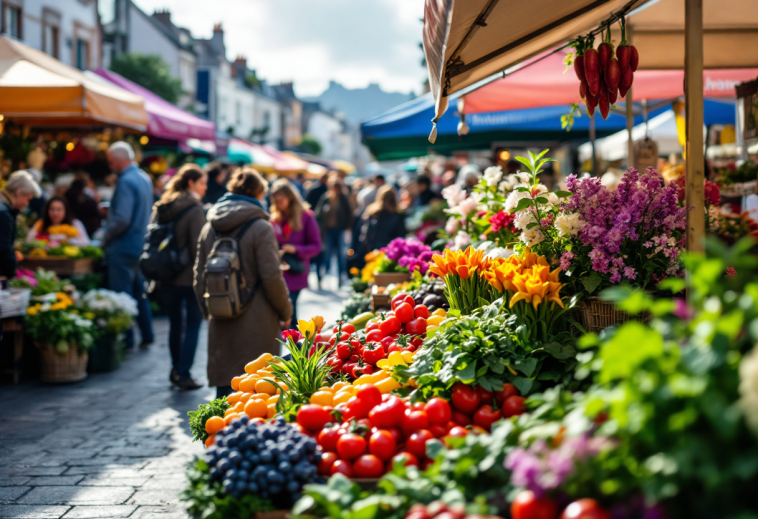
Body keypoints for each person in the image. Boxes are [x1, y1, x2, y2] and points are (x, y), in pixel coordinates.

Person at [194, 168, 293, 399]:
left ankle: (219, 434)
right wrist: (285, 311)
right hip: (257, 318)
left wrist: (208, 309)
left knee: (224, 393)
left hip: (221, 315)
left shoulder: (209, 227)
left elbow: (199, 276)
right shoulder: (261, 227)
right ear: (258, 193)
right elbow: (272, 277)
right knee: (257, 392)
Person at [150, 164, 208, 390]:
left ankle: (175, 369)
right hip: (188, 277)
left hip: (165, 274)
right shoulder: (194, 210)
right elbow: (199, 247)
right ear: (190, 182)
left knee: (176, 325)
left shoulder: (163, 206)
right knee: (193, 324)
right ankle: (183, 372)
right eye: (202, 182)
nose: (205, 188)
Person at [101, 141, 154, 350]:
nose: (110, 166)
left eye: (111, 161)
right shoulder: (143, 177)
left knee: (123, 296)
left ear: (118, 160)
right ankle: (147, 332)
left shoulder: (126, 180)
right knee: (138, 292)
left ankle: (127, 340)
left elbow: (122, 219)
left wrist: (106, 237)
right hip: (140, 244)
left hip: (123, 247)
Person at [269, 178, 322, 326]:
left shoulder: (306, 216)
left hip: (295, 271)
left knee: (289, 315)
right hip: (278, 272)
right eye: (276, 201)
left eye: (282, 200)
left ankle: (295, 347)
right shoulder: (275, 218)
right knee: (282, 316)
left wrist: (296, 249)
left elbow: (316, 246)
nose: (279, 204)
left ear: (290, 198)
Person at [0, 171, 41, 281]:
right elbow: (3, 248)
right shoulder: (3, 213)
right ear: (18, 193)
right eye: (28, 199)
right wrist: (12, 271)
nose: (27, 204)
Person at [315, 179, 351, 285]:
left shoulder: (343, 198)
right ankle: (324, 275)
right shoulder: (326, 198)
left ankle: (341, 276)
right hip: (328, 230)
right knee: (327, 253)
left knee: (340, 254)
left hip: (339, 229)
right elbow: (318, 212)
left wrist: (345, 226)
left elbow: (348, 213)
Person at [359, 185, 406, 254]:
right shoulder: (398, 215)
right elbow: (401, 236)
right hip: (392, 252)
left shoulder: (373, 213)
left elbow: (366, 234)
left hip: (374, 251)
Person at [26, 196, 91, 246]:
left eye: (59, 210)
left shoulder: (75, 224)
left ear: (65, 210)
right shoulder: (40, 224)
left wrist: (67, 240)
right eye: (52, 209)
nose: (55, 213)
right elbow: (28, 241)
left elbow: (86, 243)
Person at [305, 172, 329, 287]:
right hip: (319, 225)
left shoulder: (315, 190)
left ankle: (315, 276)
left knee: (317, 253)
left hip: (318, 225)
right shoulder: (324, 192)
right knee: (318, 252)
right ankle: (317, 276)